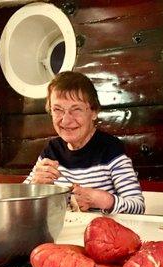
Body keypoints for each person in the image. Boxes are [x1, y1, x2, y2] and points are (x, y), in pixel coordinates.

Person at [24, 71, 145, 214]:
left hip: (101, 234)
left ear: (94, 112)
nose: (66, 120)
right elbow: (20, 202)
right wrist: (34, 187)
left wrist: (104, 200)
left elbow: (138, 207)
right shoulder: (51, 151)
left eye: (76, 109)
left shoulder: (111, 149)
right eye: (58, 110)